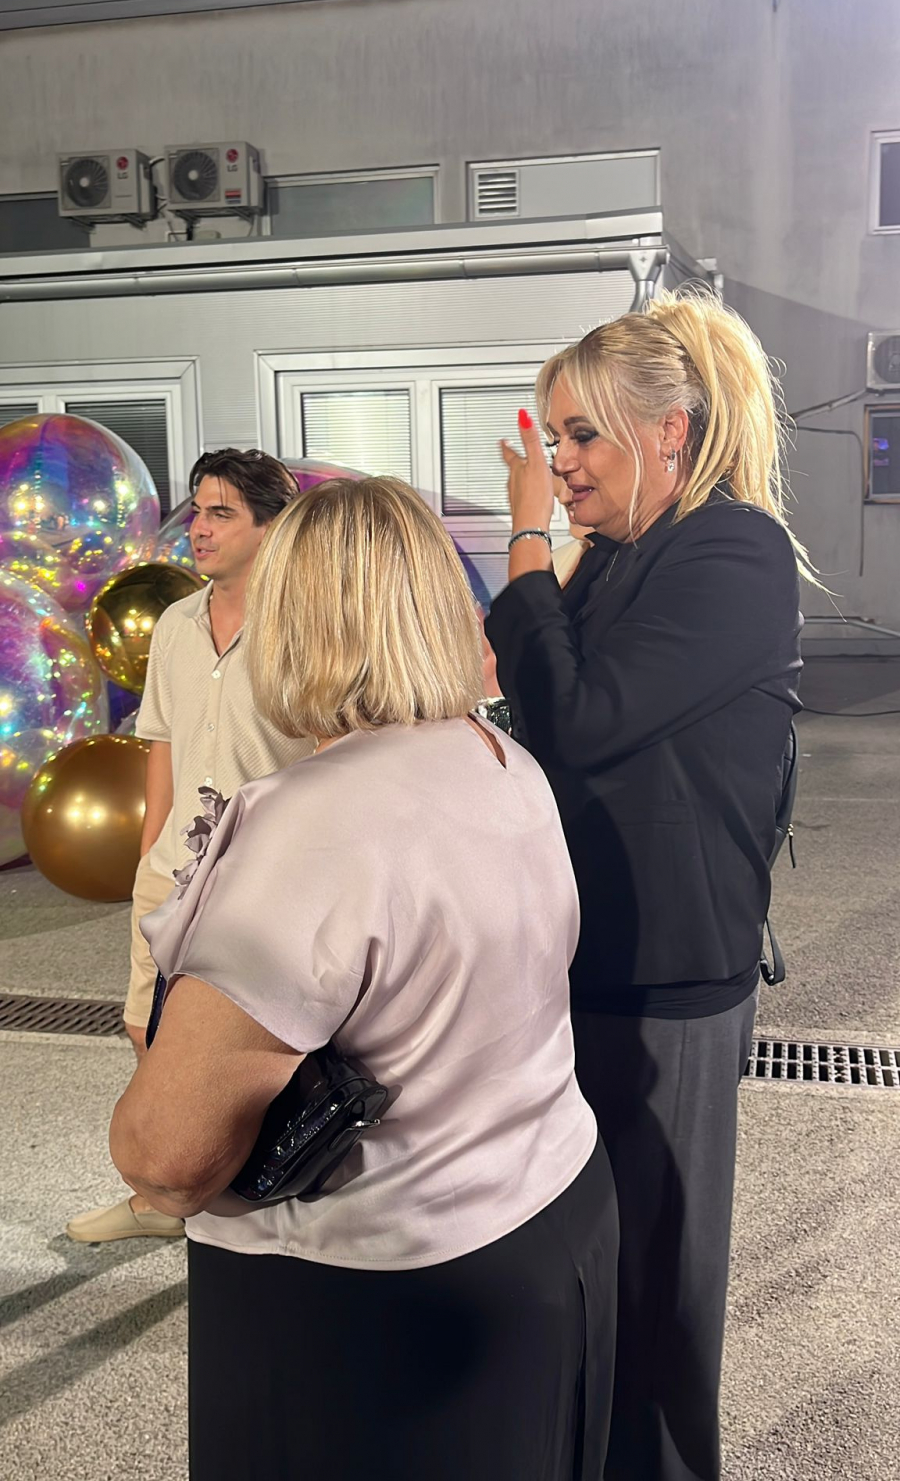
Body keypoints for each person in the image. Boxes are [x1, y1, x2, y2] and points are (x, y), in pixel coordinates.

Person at [108, 476, 618, 1481]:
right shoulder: (502, 759)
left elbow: (167, 1159)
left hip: (380, 1292)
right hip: (551, 1214)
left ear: (291, 624)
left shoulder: (313, 817)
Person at [484, 290, 805, 1481]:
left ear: (670, 431)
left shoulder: (732, 549)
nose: (560, 461)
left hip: (668, 970)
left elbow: (578, 718)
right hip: (585, 956)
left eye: (582, 435)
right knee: (589, 1273)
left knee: (657, 1286)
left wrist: (527, 541)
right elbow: (530, 698)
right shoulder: (622, 556)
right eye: (553, 437)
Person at [67, 448, 311, 1245]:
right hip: (173, 865)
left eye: (221, 514)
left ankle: (247, 1196)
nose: (198, 529)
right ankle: (166, 1199)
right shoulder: (175, 623)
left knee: (245, 1046)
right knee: (146, 1026)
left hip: (261, 877)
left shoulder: (306, 625)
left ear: (269, 528)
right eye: (198, 511)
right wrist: (151, 857)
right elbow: (162, 745)